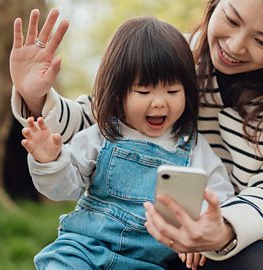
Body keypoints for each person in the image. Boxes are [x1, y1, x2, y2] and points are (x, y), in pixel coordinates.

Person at [10, 0, 263, 269]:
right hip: (152, 240)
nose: (235, 46)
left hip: (253, 234)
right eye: (231, 19)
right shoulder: (175, 53)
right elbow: (102, 118)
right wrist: (36, 97)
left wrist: (217, 229)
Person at [16, 16, 234, 270]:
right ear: (118, 93)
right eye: (144, 91)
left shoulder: (193, 149)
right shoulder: (102, 135)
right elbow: (64, 188)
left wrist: (203, 236)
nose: (160, 102)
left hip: (147, 262)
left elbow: (218, 197)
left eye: (173, 91)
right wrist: (50, 159)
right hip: (84, 248)